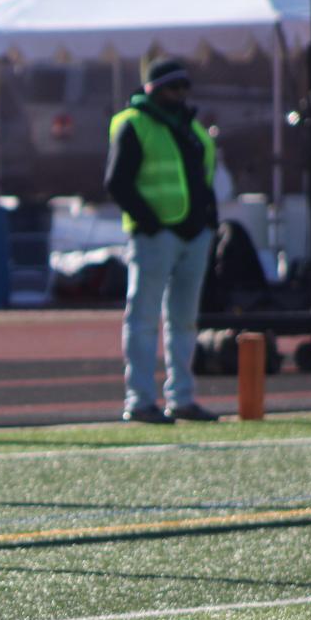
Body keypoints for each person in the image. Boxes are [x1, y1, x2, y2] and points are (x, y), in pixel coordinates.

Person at [106, 58, 221, 424]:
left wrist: (208, 223)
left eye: (185, 87)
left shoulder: (190, 126)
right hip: (157, 236)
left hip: (193, 233)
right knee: (143, 319)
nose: (181, 94)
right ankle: (139, 400)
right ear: (154, 88)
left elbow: (203, 179)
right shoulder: (134, 123)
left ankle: (182, 397)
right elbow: (117, 182)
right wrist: (152, 223)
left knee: (184, 321)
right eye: (173, 87)